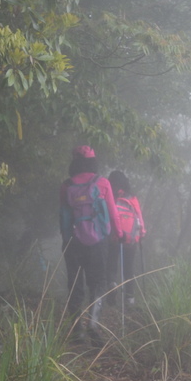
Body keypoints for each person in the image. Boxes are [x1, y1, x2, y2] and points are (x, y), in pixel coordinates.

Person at [59, 145, 122, 341]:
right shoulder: (102, 183)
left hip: (73, 242)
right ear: (93, 161)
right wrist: (118, 234)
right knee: (98, 282)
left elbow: (63, 217)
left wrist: (66, 238)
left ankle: (76, 330)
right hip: (98, 242)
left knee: (75, 284)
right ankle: (93, 326)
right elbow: (113, 212)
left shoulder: (66, 186)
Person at [106, 170, 146, 306]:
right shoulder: (132, 198)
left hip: (114, 237)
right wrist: (142, 233)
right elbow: (139, 217)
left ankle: (112, 284)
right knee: (128, 269)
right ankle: (130, 300)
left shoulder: (111, 196)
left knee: (111, 266)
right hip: (131, 240)